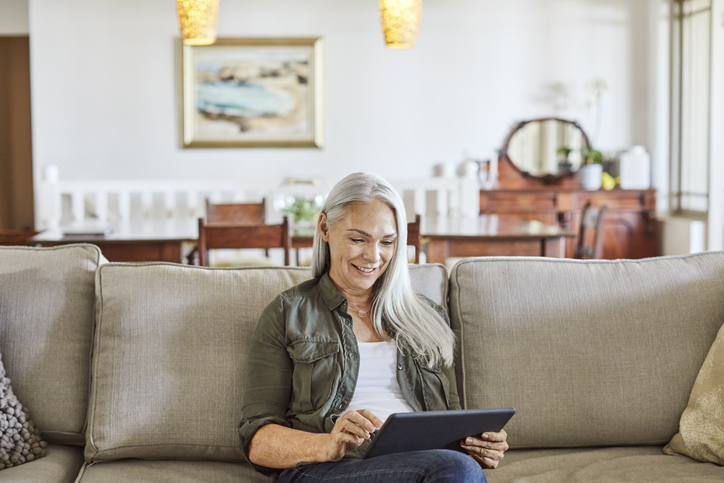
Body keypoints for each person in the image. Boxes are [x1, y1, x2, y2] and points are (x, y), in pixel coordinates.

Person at [238, 172, 509, 482]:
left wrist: (476, 444)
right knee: (456, 469)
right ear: (325, 227)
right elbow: (257, 440)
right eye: (358, 239)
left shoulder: (427, 317)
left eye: (388, 242)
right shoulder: (288, 313)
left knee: (458, 466)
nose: (373, 256)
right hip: (326, 469)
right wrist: (329, 443)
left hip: (426, 465)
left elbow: (451, 418)